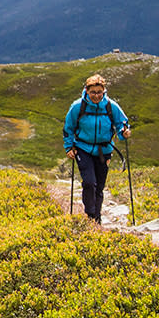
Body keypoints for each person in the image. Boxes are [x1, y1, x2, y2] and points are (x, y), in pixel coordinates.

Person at [63, 74, 129, 223]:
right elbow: (68, 128)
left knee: (99, 186)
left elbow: (122, 124)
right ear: (86, 91)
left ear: (104, 91)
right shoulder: (78, 107)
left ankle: (96, 217)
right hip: (83, 149)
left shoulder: (111, 106)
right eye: (93, 92)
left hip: (104, 151)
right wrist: (69, 147)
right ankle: (91, 214)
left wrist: (124, 133)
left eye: (99, 92)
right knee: (89, 182)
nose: (96, 95)